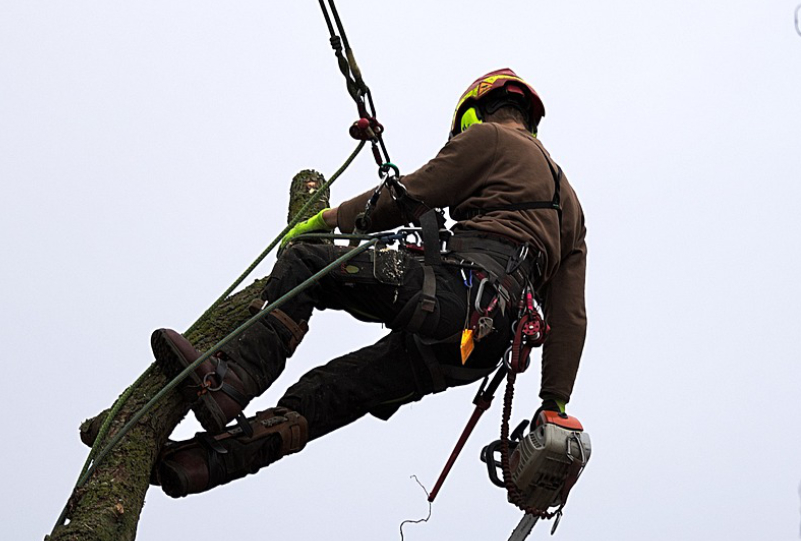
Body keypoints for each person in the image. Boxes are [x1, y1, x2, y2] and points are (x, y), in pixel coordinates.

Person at [149, 68, 587, 498]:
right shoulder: (572, 207)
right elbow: (568, 316)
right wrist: (554, 403)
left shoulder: (489, 138)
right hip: (479, 349)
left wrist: (328, 220)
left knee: (307, 263)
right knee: (330, 390)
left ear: (473, 114)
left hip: (457, 295)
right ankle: (200, 464)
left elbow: (410, 194)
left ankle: (230, 382)